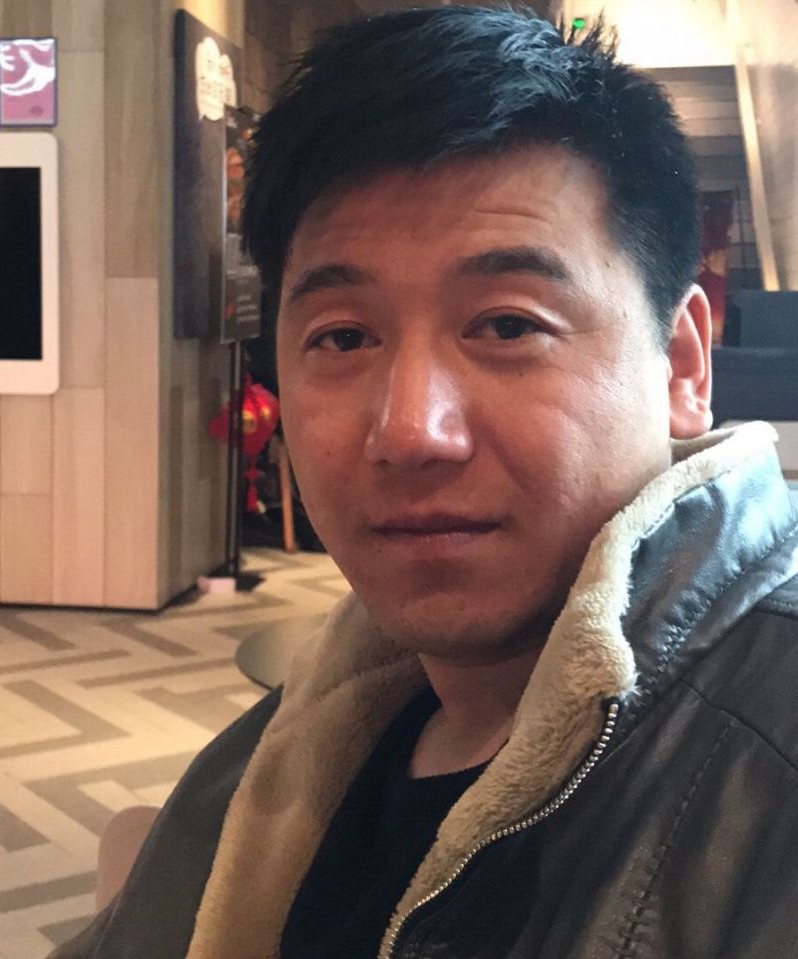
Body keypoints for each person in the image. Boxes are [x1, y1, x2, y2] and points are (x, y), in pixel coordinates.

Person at [52, 6, 798, 958]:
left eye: (508, 325)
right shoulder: (291, 746)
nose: (410, 431)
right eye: (344, 336)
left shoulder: (768, 758)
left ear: (682, 364)